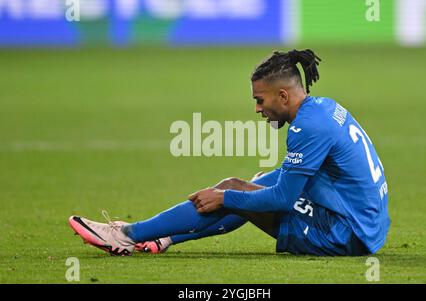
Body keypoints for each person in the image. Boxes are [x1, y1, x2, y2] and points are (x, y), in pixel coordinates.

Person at [69, 49, 390, 256]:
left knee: (237, 191)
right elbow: (279, 186)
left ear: (282, 95)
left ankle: (126, 235)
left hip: (344, 234)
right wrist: (240, 192)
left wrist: (225, 197)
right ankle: (161, 237)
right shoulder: (322, 108)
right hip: (364, 224)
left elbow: (280, 200)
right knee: (253, 185)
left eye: (260, 100)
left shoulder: (308, 128)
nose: (257, 108)